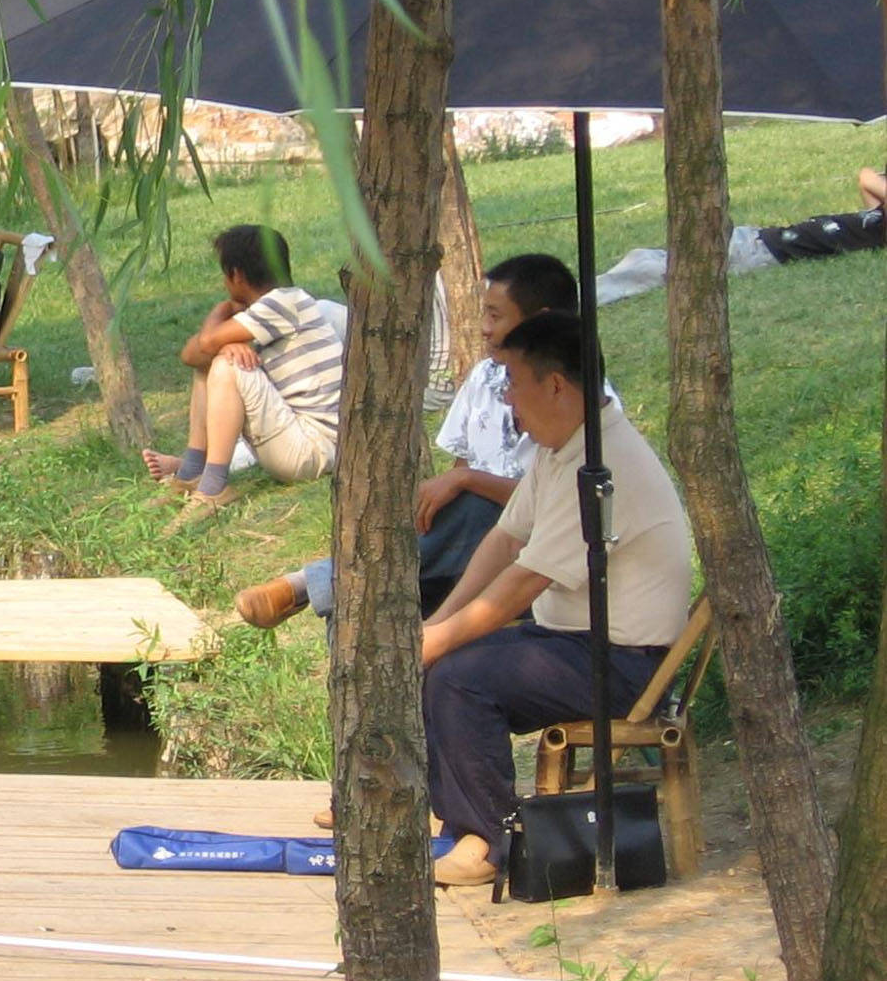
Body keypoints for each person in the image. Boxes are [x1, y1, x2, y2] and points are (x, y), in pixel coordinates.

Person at [418, 311, 693, 887]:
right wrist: (436, 626)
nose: (511, 402)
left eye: (514, 384)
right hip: (576, 642)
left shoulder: (600, 462)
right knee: (446, 661)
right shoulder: (561, 449)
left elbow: (524, 580)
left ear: (556, 385)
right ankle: (454, 818)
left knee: (460, 678)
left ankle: (487, 842)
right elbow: (505, 539)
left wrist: (437, 643)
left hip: (624, 664)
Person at [234, 253, 580, 629]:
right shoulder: (484, 377)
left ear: (541, 320)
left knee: (474, 509)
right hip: (469, 547)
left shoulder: (576, 400)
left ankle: (307, 584)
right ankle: (335, 595)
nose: (483, 327)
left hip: (528, 554)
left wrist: (466, 482)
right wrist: (442, 495)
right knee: (359, 612)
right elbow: (460, 468)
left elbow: (554, 505)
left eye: (495, 316)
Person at [138, 225, 341, 522]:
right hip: (302, 445)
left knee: (225, 364)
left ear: (236, 275)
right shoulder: (274, 305)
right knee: (212, 362)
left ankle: (213, 488)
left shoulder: (284, 303)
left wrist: (221, 315)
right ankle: (193, 472)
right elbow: (191, 356)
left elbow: (206, 343)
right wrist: (223, 342)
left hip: (313, 451)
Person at [594, 167, 887, 306]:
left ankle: (572, 299)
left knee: (655, 268)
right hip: (761, 238)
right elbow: (866, 177)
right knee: (647, 258)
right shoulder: (878, 222)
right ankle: (575, 292)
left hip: (765, 254)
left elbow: (872, 180)